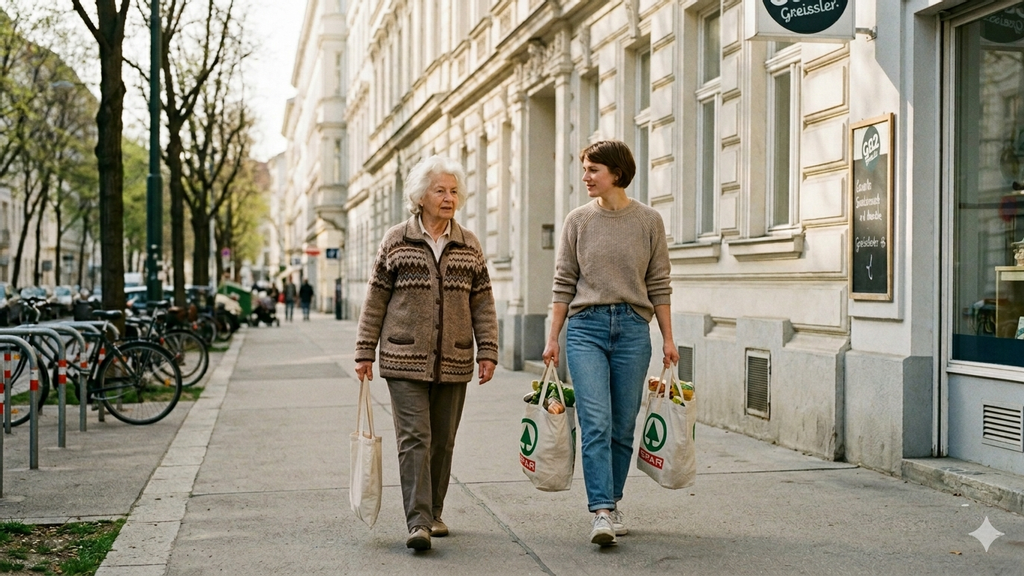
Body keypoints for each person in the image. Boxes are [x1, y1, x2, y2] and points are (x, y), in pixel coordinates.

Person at [354, 155, 498, 552]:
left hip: (453, 358)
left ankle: (434, 512)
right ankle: (417, 522)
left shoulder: (469, 244)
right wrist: (365, 350)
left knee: (443, 441)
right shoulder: (396, 240)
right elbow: (375, 299)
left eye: (454, 191)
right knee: (415, 438)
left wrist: (487, 350)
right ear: (421, 197)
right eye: (440, 191)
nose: (449, 198)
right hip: (404, 358)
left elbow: (483, 302)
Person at [541, 140, 678, 548]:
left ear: (616, 173)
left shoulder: (649, 221)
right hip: (586, 328)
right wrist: (553, 338)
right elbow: (563, 282)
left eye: (593, 170)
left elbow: (659, 283)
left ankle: (613, 502)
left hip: (633, 329)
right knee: (596, 421)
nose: (585, 177)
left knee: (623, 424)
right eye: (585, 169)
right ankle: (600, 509)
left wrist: (669, 339)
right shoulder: (577, 221)